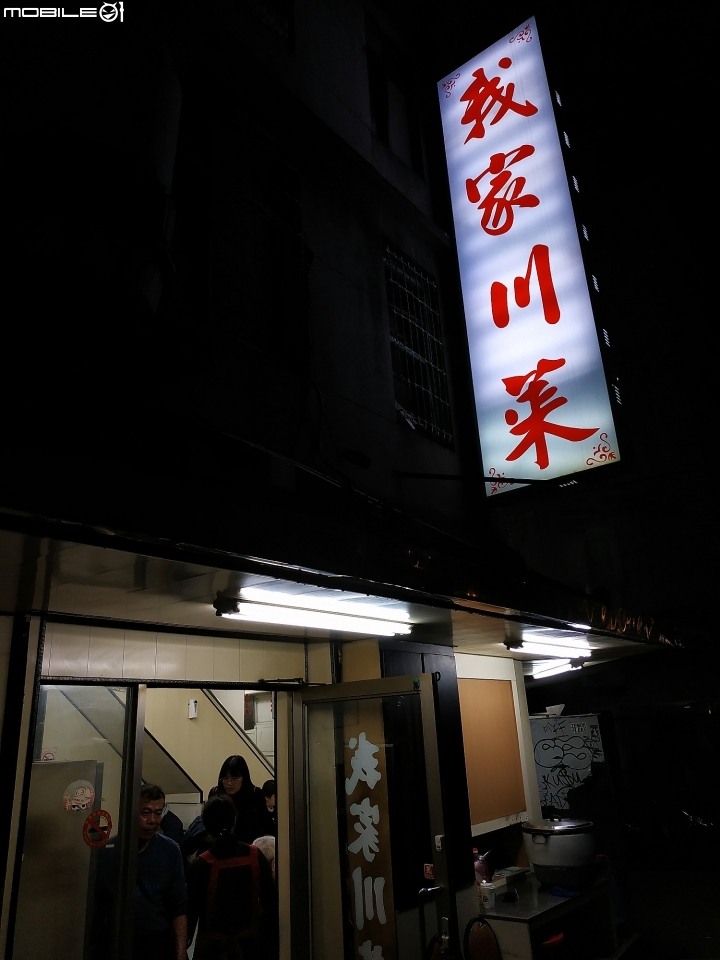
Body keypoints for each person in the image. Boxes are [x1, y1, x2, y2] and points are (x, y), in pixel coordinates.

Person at [96, 784, 188, 960]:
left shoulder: (170, 851)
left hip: (157, 940)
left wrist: (181, 951)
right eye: (145, 813)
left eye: (158, 813)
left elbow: (179, 906)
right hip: (117, 940)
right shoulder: (109, 851)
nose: (152, 820)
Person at [187, 797, 278, 960]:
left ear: (206, 825)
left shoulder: (200, 865)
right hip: (251, 947)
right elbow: (270, 902)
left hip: (212, 951)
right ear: (234, 820)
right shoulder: (255, 855)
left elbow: (191, 915)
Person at [182, 757, 273, 865]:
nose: (229, 783)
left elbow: (266, 825)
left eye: (234, 778)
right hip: (216, 852)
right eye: (225, 778)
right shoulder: (215, 793)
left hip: (246, 852)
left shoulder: (254, 794)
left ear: (244, 778)